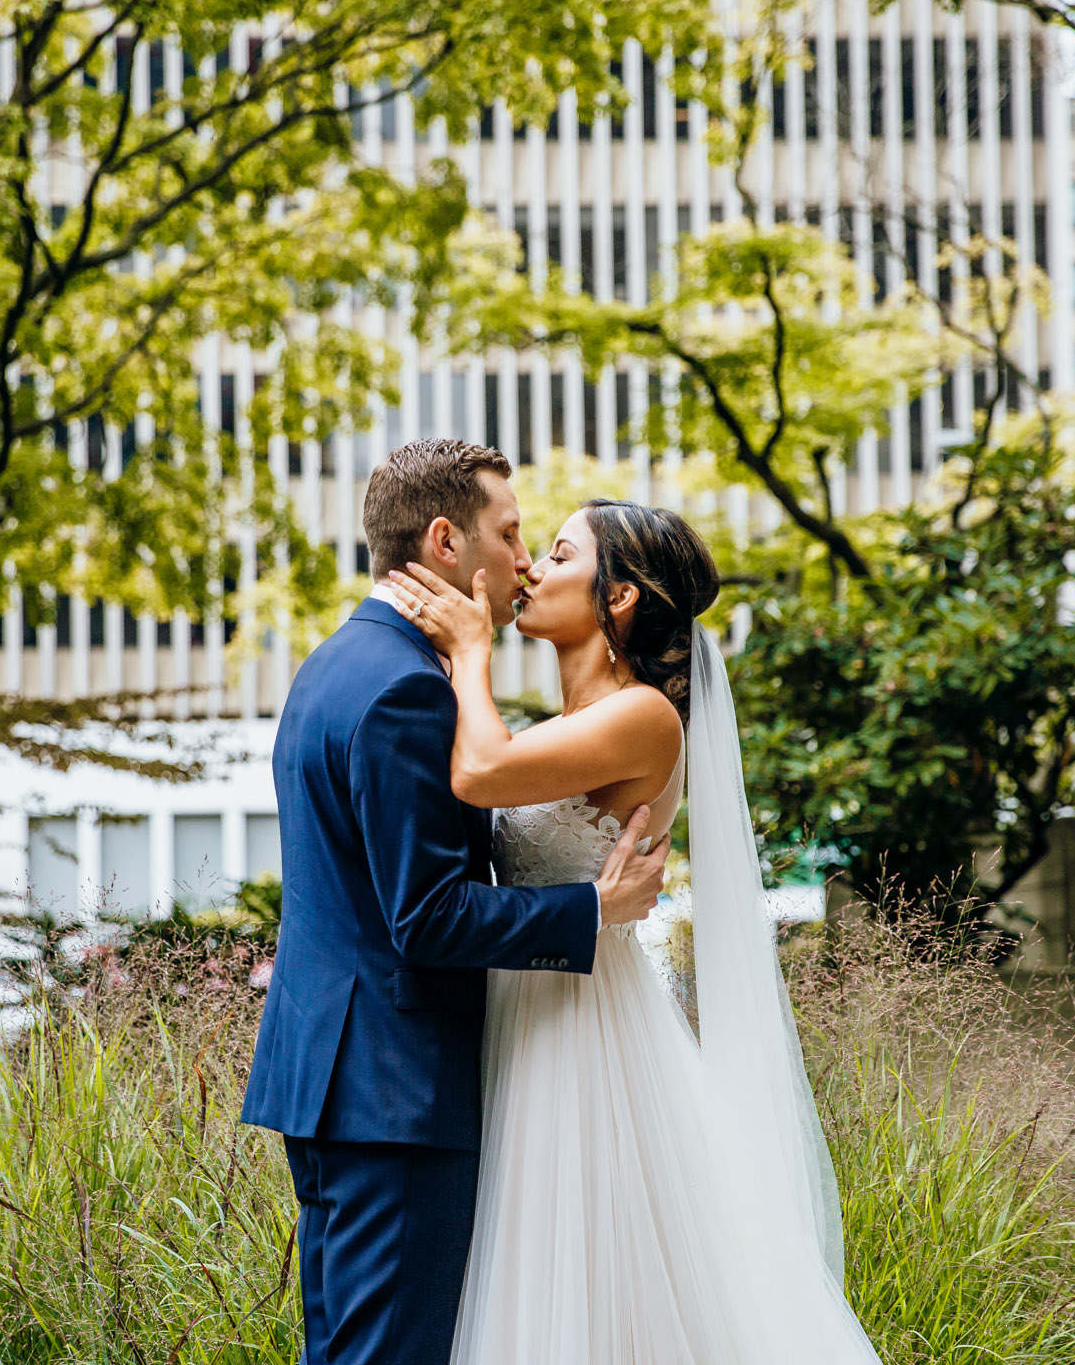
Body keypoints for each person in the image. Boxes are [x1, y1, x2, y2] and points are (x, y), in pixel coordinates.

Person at [381, 498, 884, 1365]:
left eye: (562, 553)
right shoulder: (567, 725)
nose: (532, 566)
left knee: (586, 1277)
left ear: (617, 598)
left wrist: (469, 650)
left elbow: (480, 772)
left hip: (582, 1028)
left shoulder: (644, 716)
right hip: (521, 1004)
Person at [241, 440, 674, 1365]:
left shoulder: (335, 665)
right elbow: (428, 916)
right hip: (394, 1093)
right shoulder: (409, 691)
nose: (522, 561)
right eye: (512, 534)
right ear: (446, 541)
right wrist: (591, 912)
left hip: (335, 1081)